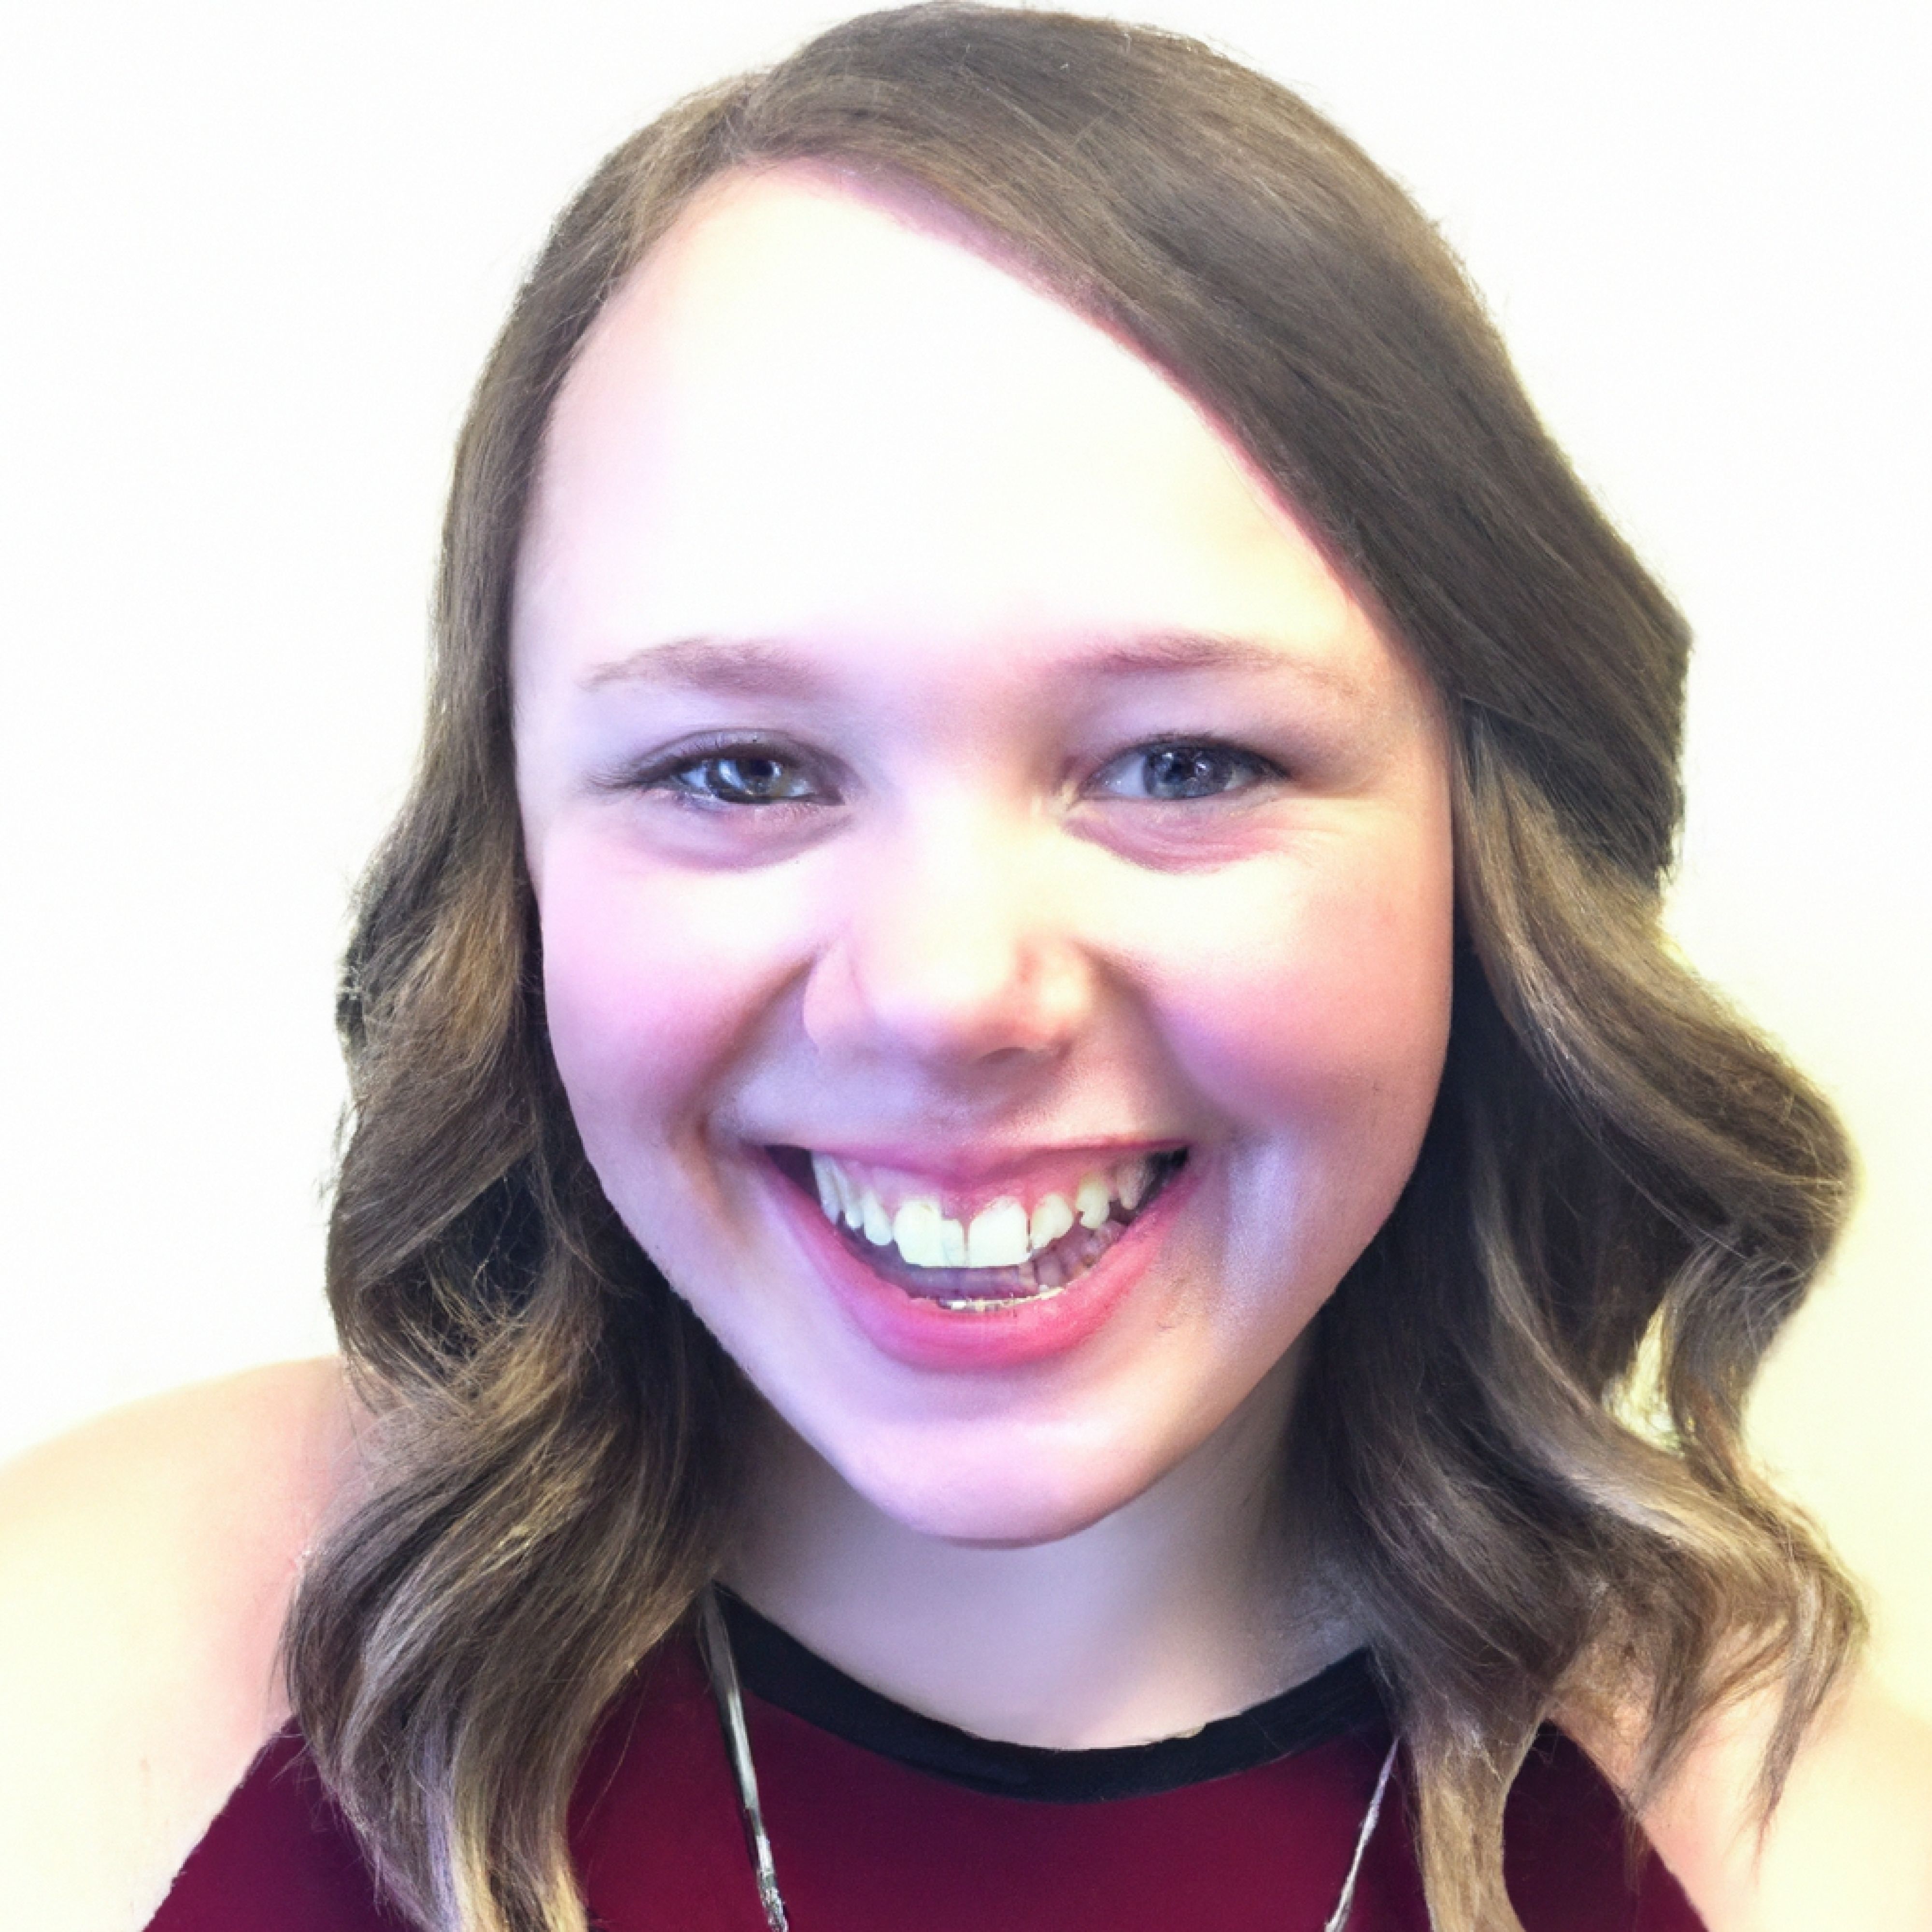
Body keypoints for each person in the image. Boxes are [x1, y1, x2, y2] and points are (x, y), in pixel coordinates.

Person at [3, 6, 1928, 1930]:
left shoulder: (1801, 1851)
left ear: (1485, 839)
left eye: (1186, 762)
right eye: (739, 771)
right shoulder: (97, 1662)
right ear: (512, 856)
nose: (946, 992)